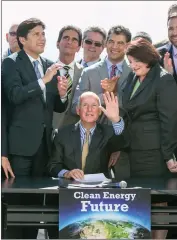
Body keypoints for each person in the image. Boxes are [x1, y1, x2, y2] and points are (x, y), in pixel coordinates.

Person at [1, 17, 68, 239]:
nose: (42, 38)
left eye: (43, 34)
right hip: (19, 149)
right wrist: (42, 81)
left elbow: (58, 107)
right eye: (37, 34)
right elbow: (14, 95)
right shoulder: (10, 63)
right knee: (15, 206)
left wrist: (62, 93)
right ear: (22, 39)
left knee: (37, 206)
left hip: (43, 148)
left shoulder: (51, 65)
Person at [122, 38, 177, 239]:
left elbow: (169, 121)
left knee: (158, 201)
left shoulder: (164, 79)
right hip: (133, 151)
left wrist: (168, 154)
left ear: (148, 58)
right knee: (141, 201)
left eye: (136, 60)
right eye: (130, 61)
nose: (132, 65)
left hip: (154, 154)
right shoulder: (132, 78)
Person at [72, 25, 132, 180]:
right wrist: (104, 95)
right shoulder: (89, 72)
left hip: (123, 146)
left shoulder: (133, 72)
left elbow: (134, 109)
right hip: (90, 145)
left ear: (127, 46)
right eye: (111, 41)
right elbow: (74, 106)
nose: (114, 47)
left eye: (120, 43)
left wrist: (119, 146)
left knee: (123, 193)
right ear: (106, 43)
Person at [48, 91, 125, 179]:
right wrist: (67, 173)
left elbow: (122, 143)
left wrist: (116, 120)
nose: (89, 109)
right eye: (85, 105)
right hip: (70, 188)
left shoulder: (108, 132)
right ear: (78, 110)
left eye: (94, 105)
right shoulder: (62, 134)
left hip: (98, 188)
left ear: (100, 111)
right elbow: (53, 165)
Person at [52, 25, 83, 129]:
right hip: (48, 129)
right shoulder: (46, 70)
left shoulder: (85, 73)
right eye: (66, 38)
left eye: (74, 40)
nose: (69, 42)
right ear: (57, 43)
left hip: (73, 133)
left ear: (79, 47)